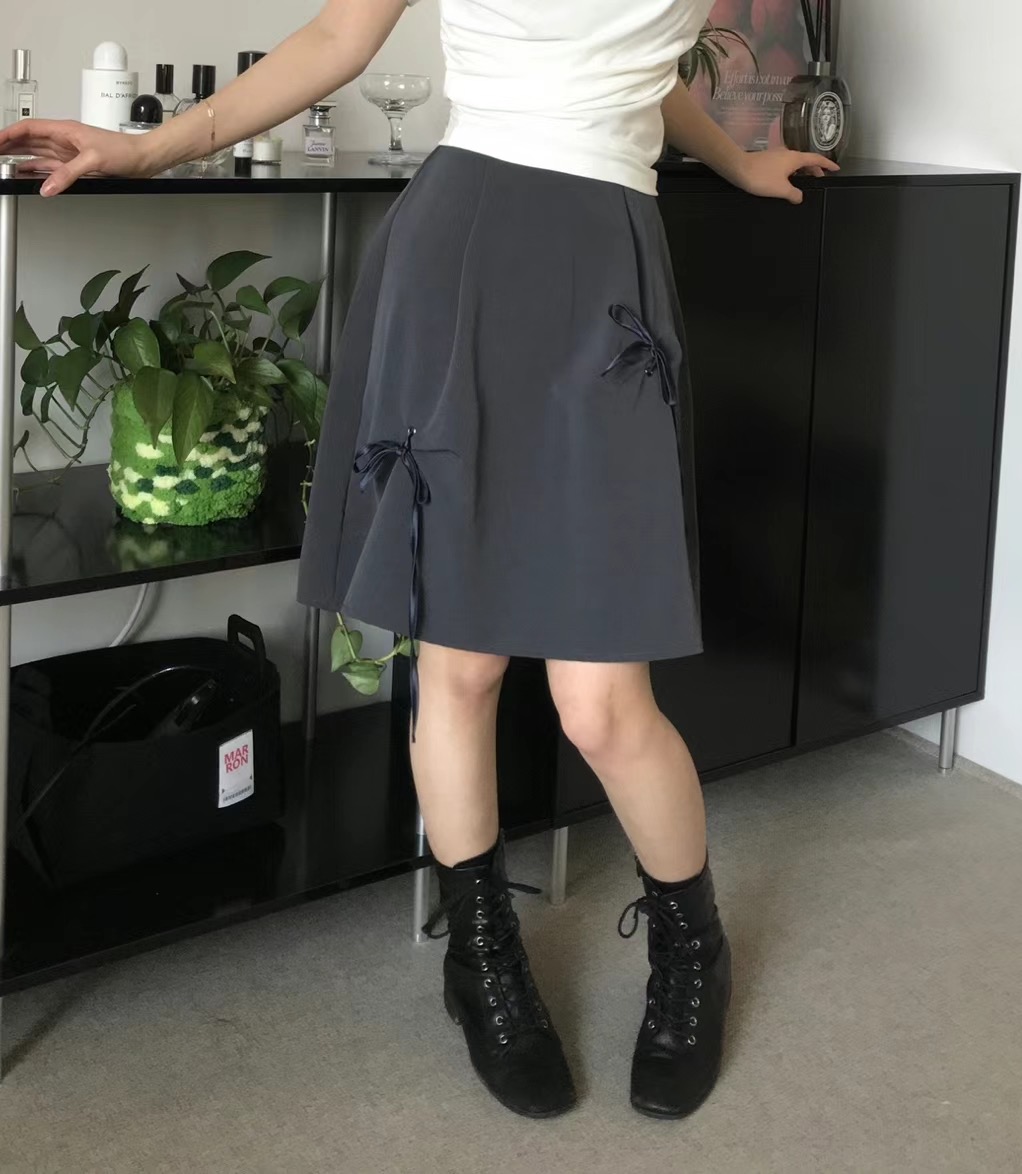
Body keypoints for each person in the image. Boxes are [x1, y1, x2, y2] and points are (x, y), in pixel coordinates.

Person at [0, 0, 837, 1121]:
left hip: (605, 270)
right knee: (462, 665)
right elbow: (335, 41)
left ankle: (695, 948)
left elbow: (637, 61)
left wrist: (734, 159)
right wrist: (150, 148)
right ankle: (479, 953)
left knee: (601, 704)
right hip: (464, 253)